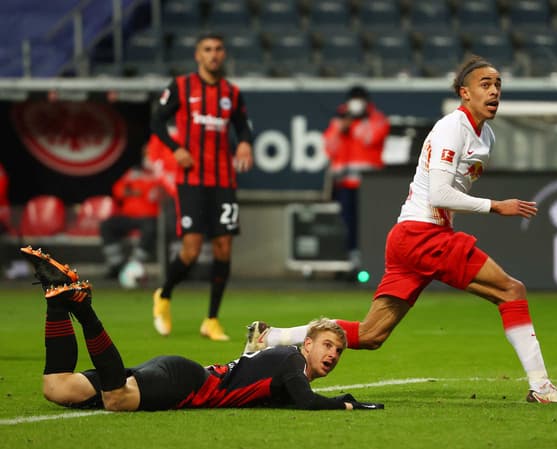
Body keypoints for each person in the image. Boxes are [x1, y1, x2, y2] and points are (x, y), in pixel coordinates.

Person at [243, 56, 557, 404]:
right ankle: (542, 388)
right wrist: (495, 206)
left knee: (371, 334)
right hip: (424, 236)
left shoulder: (484, 135)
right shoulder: (452, 129)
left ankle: (269, 337)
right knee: (511, 290)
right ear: (464, 93)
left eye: (498, 84)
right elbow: (440, 193)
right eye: (485, 84)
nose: (494, 91)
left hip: (411, 238)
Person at [19, 245, 383, 411]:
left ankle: (56, 301)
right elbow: (305, 400)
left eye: (338, 350)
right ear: (307, 345)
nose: (333, 354)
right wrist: (345, 403)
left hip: (173, 371)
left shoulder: (282, 361)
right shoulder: (293, 364)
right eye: (327, 345)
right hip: (186, 384)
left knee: (58, 388)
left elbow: (257, 370)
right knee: (117, 399)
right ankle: (84, 311)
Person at [149, 32, 254, 341]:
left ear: (224, 54)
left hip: (223, 180)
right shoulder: (181, 87)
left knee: (224, 247)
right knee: (192, 249)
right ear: (198, 55)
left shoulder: (231, 93)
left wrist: (245, 143)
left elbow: (242, 125)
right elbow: (156, 121)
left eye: (219, 49)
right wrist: (174, 148)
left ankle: (211, 319)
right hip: (192, 179)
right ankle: (164, 294)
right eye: (207, 49)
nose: (213, 54)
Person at [324, 86, 390, 277]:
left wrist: (353, 123)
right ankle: (351, 263)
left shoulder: (377, 119)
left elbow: (371, 137)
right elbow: (329, 147)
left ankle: (373, 262)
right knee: (347, 225)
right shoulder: (339, 121)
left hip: (369, 185)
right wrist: (341, 127)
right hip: (344, 184)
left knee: (369, 225)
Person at [100, 143, 166, 279]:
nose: (148, 157)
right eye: (146, 154)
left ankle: (134, 264)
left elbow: (159, 194)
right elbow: (118, 189)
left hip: (150, 216)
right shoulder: (134, 172)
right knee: (107, 225)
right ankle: (116, 265)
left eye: (151, 153)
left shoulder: (162, 173)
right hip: (129, 215)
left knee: (150, 227)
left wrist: (138, 191)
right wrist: (133, 191)